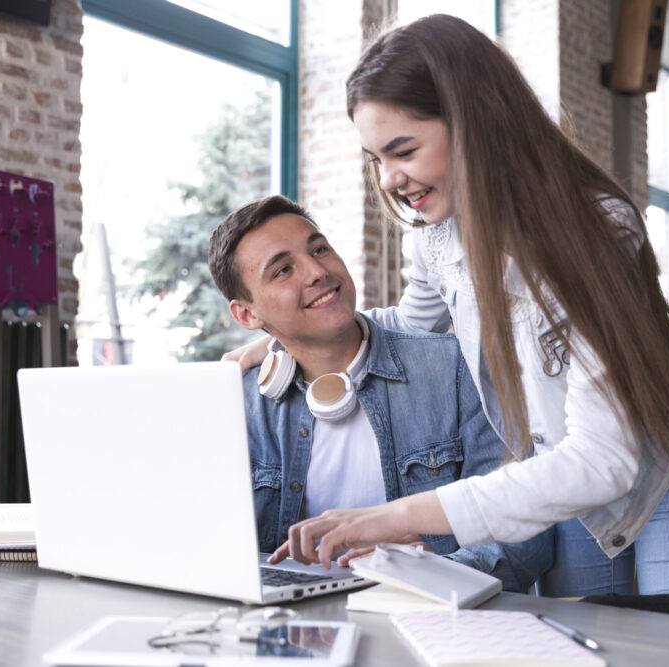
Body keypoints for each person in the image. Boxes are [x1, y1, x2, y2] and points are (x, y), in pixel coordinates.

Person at [231, 15, 669, 597]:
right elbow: (411, 326)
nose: (391, 179)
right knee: (591, 630)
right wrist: (289, 336)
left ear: (475, 122)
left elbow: (605, 458)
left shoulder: (596, 228)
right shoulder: (433, 236)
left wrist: (392, 517)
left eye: (403, 150)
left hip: (665, 447)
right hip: (561, 460)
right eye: (376, 158)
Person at [207, 194, 553, 593]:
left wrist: (428, 570)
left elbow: (524, 536)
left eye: (319, 249)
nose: (317, 270)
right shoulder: (237, 405)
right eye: (283, 270)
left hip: (430, 616)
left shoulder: (457, 368)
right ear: (247, 314)